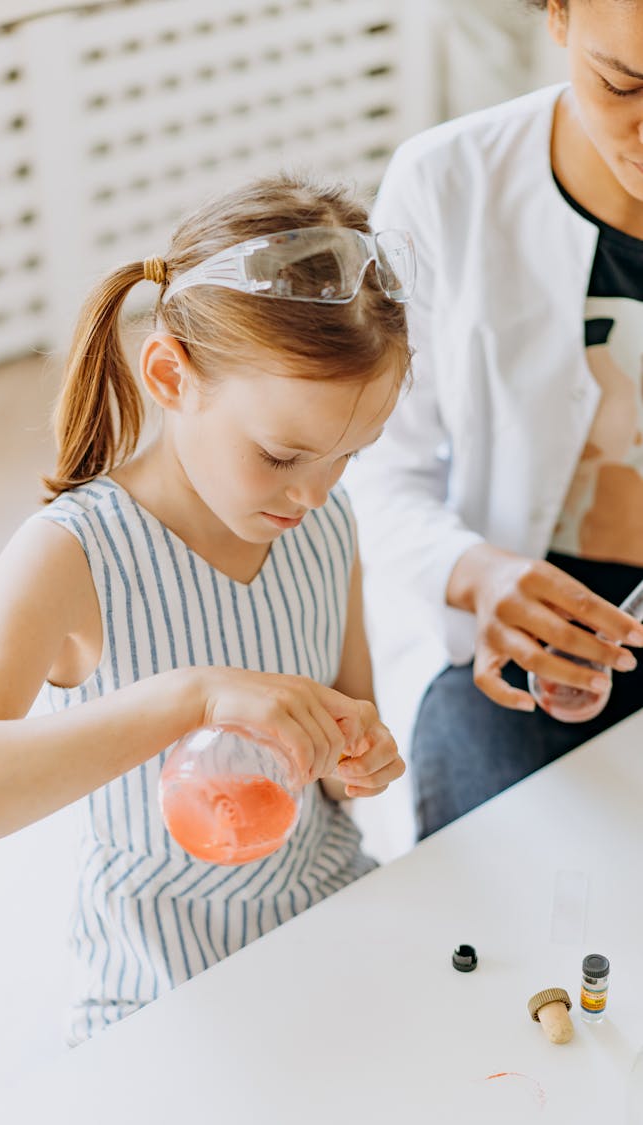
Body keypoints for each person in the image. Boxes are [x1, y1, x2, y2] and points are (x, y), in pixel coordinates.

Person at [0, 174, 413, 1044]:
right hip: (158, 982)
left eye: (348, 457)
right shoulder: (71, 555)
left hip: (327, 917)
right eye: (283, 453)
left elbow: (340, 748)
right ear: (171, 374)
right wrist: (194, 695)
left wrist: (356, 751)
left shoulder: (324, 523)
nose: (315, 493)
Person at [345, 0, 643, 841]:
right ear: (555, 14)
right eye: (623, 83)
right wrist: (476, 573)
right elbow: (379, 476)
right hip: (505, 656)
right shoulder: (446, 185)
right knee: (505, 909)